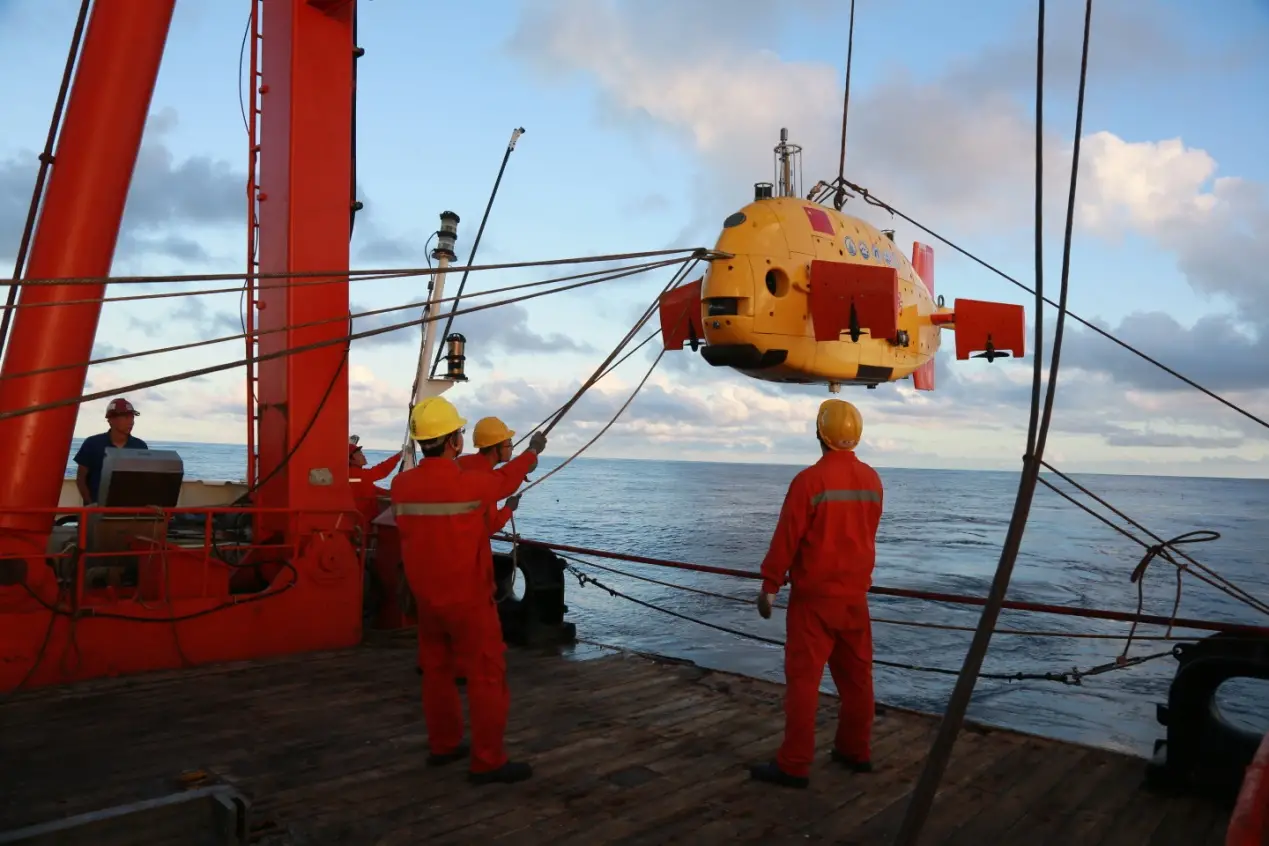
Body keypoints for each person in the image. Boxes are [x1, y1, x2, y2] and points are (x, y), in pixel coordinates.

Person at [390, 396, 547, 785]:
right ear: (454, 441)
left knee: (437, 672)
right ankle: (488, 761)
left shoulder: (400, 485)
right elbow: (504, 479)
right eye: (458, 432)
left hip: (427, 599)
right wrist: (532, 453)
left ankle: (444, 746)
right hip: (468, 601)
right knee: (486, 676)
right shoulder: (467, 483)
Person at [748, 399, 884, 789]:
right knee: (857, 680)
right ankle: (855, 751)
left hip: (814, 602)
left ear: (819, 435)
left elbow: (787, 538)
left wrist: (770, 585)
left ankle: (793, 765)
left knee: (804, 683)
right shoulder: (873, 481)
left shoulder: (809, 481)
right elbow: (865, 534)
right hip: (855, 599)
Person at [455, 416, 525, 536]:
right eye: (509, 444)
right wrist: (508, 508)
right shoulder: (485, 478)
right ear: (494, 449)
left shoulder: (462, 462)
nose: (512, 448)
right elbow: (491, 525)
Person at [73, 397, 149, 506]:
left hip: (130, 511)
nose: (131, 422)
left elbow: (144, 481)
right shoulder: (92, 444)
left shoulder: (140, 446)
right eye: (126, 417)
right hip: (97, 511)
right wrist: (91, 505)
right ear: (111, 420)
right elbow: (81, 479)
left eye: (132, 417)